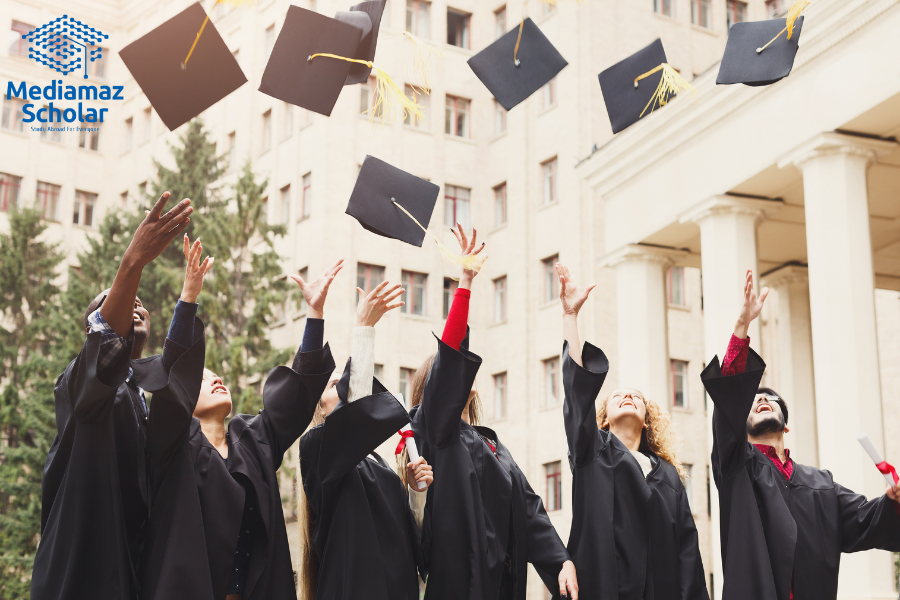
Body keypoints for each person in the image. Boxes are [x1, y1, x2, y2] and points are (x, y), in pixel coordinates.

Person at [32, 193, 203, 600]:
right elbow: (105, 349)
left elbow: (173, 389)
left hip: (131, 572)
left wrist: (188, 301)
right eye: (118, 305)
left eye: (138, 304)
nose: (135, 305)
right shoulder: (78, 387)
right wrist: (132, 264)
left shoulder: (140, 399)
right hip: (80, 577)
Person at [138, 259, 342, 600]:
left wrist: (315, 314)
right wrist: (189, 297)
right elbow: (172, 382)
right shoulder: (171, 446)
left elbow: (296, 397)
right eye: (202, 378)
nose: (216, 378)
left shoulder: (252, 440)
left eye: (216, 375)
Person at [701, 269, 900, 600]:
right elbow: (728, 405)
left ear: (786, 424)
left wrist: (894, 503)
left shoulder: (821, 484)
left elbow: (868, 520)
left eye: (771, 399)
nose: (762, 399)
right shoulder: (736, 466)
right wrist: (742, 327)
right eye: (752, 401)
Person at [406, 225, 578, 600]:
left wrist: (560, 560)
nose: (459, 372)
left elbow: (531, 512)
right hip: (459, 586)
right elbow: (450, 358)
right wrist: (465, 283)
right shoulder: (436, 430)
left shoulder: (494, 447)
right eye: (446, 373)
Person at [555, 263, 709, 600]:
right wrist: (570, 318)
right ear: (604, 418)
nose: (628, 396)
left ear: (647, 420)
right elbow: (576, 396)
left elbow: (687, 552)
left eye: (637, 397)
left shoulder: (667, 476)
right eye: (619, 395)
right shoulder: (590, 451)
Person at [297, 277, 432, 600]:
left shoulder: (378, 464)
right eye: (334, 386)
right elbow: (353, 413)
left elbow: (417, 544)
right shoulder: (316, 449)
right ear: (318, 407)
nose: (343, 385)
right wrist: (363, 329)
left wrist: (417, 494)